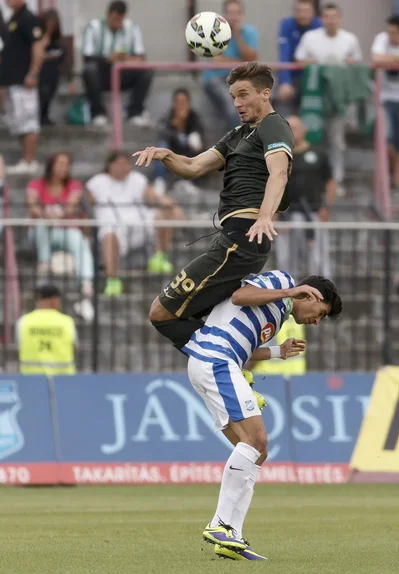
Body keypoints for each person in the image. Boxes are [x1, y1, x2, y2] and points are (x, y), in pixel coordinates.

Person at [134, 62, 294, 353]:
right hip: (233, 239)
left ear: (265, 93)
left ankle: (222, 358)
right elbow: (194, 166)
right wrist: (165, 155)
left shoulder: (273, 125)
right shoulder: (237, 134)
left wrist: (264, 217)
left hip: (244, 238)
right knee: (197, 316)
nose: (237, 103)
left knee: (161, 313)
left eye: (244, 95)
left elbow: (279, 173)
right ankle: (238, 357)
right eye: (233, 97)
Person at [183, 271, 342, 560]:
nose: (316, 321)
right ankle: (220, 523)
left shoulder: (280, 316)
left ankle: (232, 536)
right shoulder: (281, 281)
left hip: (216, 361)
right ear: (309, 295)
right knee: (256, 439)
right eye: (320, 312)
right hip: (215, 360)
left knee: (258, 451)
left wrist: (278, 352)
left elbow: (244, 347)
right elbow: (239, 296)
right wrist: (290, 292)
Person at [86, 151, 185, 297]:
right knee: (109, 234)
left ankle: (159, 257)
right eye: (119, 163)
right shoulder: (96, 182)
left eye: (126, 163)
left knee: (164, 214)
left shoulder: (137, 179)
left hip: (140, 224)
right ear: (109, 165)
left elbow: (153, 197)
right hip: (112, 226)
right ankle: (112, 280)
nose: (123, 167)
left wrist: (170, 205)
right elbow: (87, 205)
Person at [294, 3, 362, 190]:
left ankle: (335, 181)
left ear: (339, 18)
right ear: (321, 18)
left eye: (334, 17)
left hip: (338, 101)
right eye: (327, 17)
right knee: (311, 138)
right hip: (313, 100)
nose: (331, 20)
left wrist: (349, 64)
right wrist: (312, 63)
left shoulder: (350, 39)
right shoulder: (310, 37)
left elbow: (356, 64)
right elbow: (299, 60)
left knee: (336, 142)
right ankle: (310, 181)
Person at [26, 152, 94, 323]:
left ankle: (86, 285)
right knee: (41, 224)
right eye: (61, 163)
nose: (65, 167)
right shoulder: (36, 184)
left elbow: (72, 205)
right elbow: (33, 206)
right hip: (40, 232)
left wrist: (56, 214)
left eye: (67, 164)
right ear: (51, 165)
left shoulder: (74, 185)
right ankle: (44, 262)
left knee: (78, 238)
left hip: (64, 230)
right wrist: (46, 215)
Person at [275, 115, 336, 279]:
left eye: (295, 128)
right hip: (287, 215)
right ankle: (288, 298)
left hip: (313, 212)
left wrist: (327, 207)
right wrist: (274, 216)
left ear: (304, 130)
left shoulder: (319, 154)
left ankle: (323, 297)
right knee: (286, 261)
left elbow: (330, 182)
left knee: (318, 260)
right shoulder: (278, 157)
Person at [82, 0, 152, 127]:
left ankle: (135, 112)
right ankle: (98, 113)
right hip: (102, 74)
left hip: (123, 72)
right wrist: (109, 59)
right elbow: (87, 56)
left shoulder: (132, 27)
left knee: (146, 71)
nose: (116, 24)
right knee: (90, 69)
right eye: (114, 19)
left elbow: (141, 56)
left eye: (120, 20)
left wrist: (125, 59)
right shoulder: (94, 27)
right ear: (108, 15)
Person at [1, 0, 45, 175]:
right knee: (19, 122)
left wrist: (33, 73)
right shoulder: (14, 19)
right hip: (13, 80)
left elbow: (38, 45)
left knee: (28, 122)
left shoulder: (29, 19)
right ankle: (24, 159)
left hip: (24, 80)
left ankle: (30, 160)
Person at [203, 0, 259, 130]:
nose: (234, 16)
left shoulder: (250, 32)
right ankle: (239, 141)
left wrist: (237, 35)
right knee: (234, 104)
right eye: (230, 13)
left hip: (242, 79)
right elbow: (216, 61)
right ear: (224, 15)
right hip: (216, 79)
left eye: (237, 13)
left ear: (242, 15)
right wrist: (241, 61)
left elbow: (251, 58)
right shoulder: (213, 32)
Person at [16, 284, 78, 376]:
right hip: (63, 380)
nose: (59, 303)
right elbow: (74, 347)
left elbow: (19, 347)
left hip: (30, 380)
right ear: (53, 299)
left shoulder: (23, 322)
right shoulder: (67, 322)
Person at [153, 88, 205, 195]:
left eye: (184, 101)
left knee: (195, 142)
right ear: (174, 103)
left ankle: (189, 180)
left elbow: (200, 140)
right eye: (178, 101)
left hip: (188, 152)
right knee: (160, 148)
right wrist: (177, 127)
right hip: (171, 149)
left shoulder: (194, 118)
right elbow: (162, 133)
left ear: (189, 102)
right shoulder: (168, 117)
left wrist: (192, 137)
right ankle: (160, 180)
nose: (181, 105)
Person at [276, 0, 322, 113]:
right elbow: (284, 54)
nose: (303, 15)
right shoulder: (287, 24)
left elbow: (322, 56)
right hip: (292, 76)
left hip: (315, 78)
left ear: (313, 12)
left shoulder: (320, 25)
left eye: (306, 11)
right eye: (299, 11)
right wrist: (285, 82)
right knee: (281, 102)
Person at [372, 16, 399, 189]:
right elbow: (376, 59)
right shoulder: (381, 38)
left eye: (395, 33)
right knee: (388, 140)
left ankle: (396, 180)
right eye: (389, 31)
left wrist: (388, 58)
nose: (390, 36)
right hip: (385, 98)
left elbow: (383, 59)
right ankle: (389, 176)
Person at [39, 9, 65, 126]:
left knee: (52, 74)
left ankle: (44, 114)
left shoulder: (57, 42)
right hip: (39, 73)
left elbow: (62, 55)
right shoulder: (38, 38)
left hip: (52, 74)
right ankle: (40, 115)